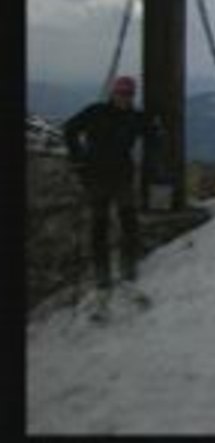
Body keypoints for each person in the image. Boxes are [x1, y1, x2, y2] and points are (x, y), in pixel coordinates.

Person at [64, 75, 155, 315]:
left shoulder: (136, 118)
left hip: (120, 177)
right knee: (100, 228)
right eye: (121, 93)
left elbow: (152, 136)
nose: (124, 98)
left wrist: (157, 132)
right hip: (97, 177)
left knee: (129, 225)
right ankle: (103, 279)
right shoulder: (96, 112)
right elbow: (70, 129)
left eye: (128, 94)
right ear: (113, 93)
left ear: (132, 96)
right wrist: (78, 159)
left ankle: (126, 273)